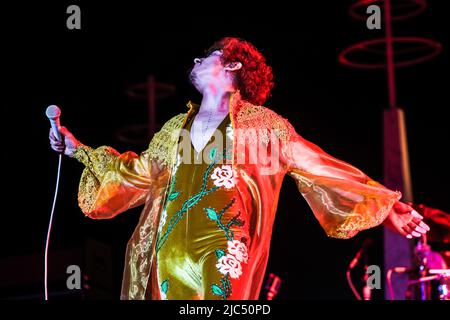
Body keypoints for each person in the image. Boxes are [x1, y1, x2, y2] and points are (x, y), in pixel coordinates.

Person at [49, 37, 430, 300]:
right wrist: (77, 148)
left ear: (232, 64)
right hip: (168, 257)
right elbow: (135, 174)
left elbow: (318, 165)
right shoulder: (176, 129)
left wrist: (385, 207)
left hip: (223, 248)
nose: (195, 61)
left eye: (206, 56)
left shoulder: (261, 125)